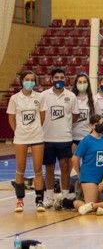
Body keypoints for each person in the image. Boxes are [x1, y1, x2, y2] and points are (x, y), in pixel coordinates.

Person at [39, 67, 79, 209]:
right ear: (51, 79)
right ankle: (49, 197)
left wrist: (64, 125)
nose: (59, 80)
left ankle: (65, 195)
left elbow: (75, 116)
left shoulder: (71, 96)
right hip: (47, 138)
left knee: (65, 168)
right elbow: (40, 115)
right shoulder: (43, 95)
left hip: (64, 138)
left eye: (62, 78)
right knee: (49, 168)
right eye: (56, 78)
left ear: (65, 79)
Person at [8, 70, 46, 212]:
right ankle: (19, 200)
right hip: (21, 138)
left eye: (32, 79)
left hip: (37, 136)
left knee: (37, 169)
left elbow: (42, 116)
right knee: (20, 169)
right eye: (27, 79)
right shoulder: (14, 98)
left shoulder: (39, 97)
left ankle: (39, 200)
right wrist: (18, 131)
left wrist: (35, 129)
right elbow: (11, 118)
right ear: (22, 81)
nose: (29, 82)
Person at [71, 115, 103, 215]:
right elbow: (75, 158)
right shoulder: (86, 141)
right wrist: (80, 174)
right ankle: (70, 203)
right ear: (92, 126)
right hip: (89, 176)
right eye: (98, 124)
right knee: (91, 206)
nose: (101, 125)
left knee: (100, 206)